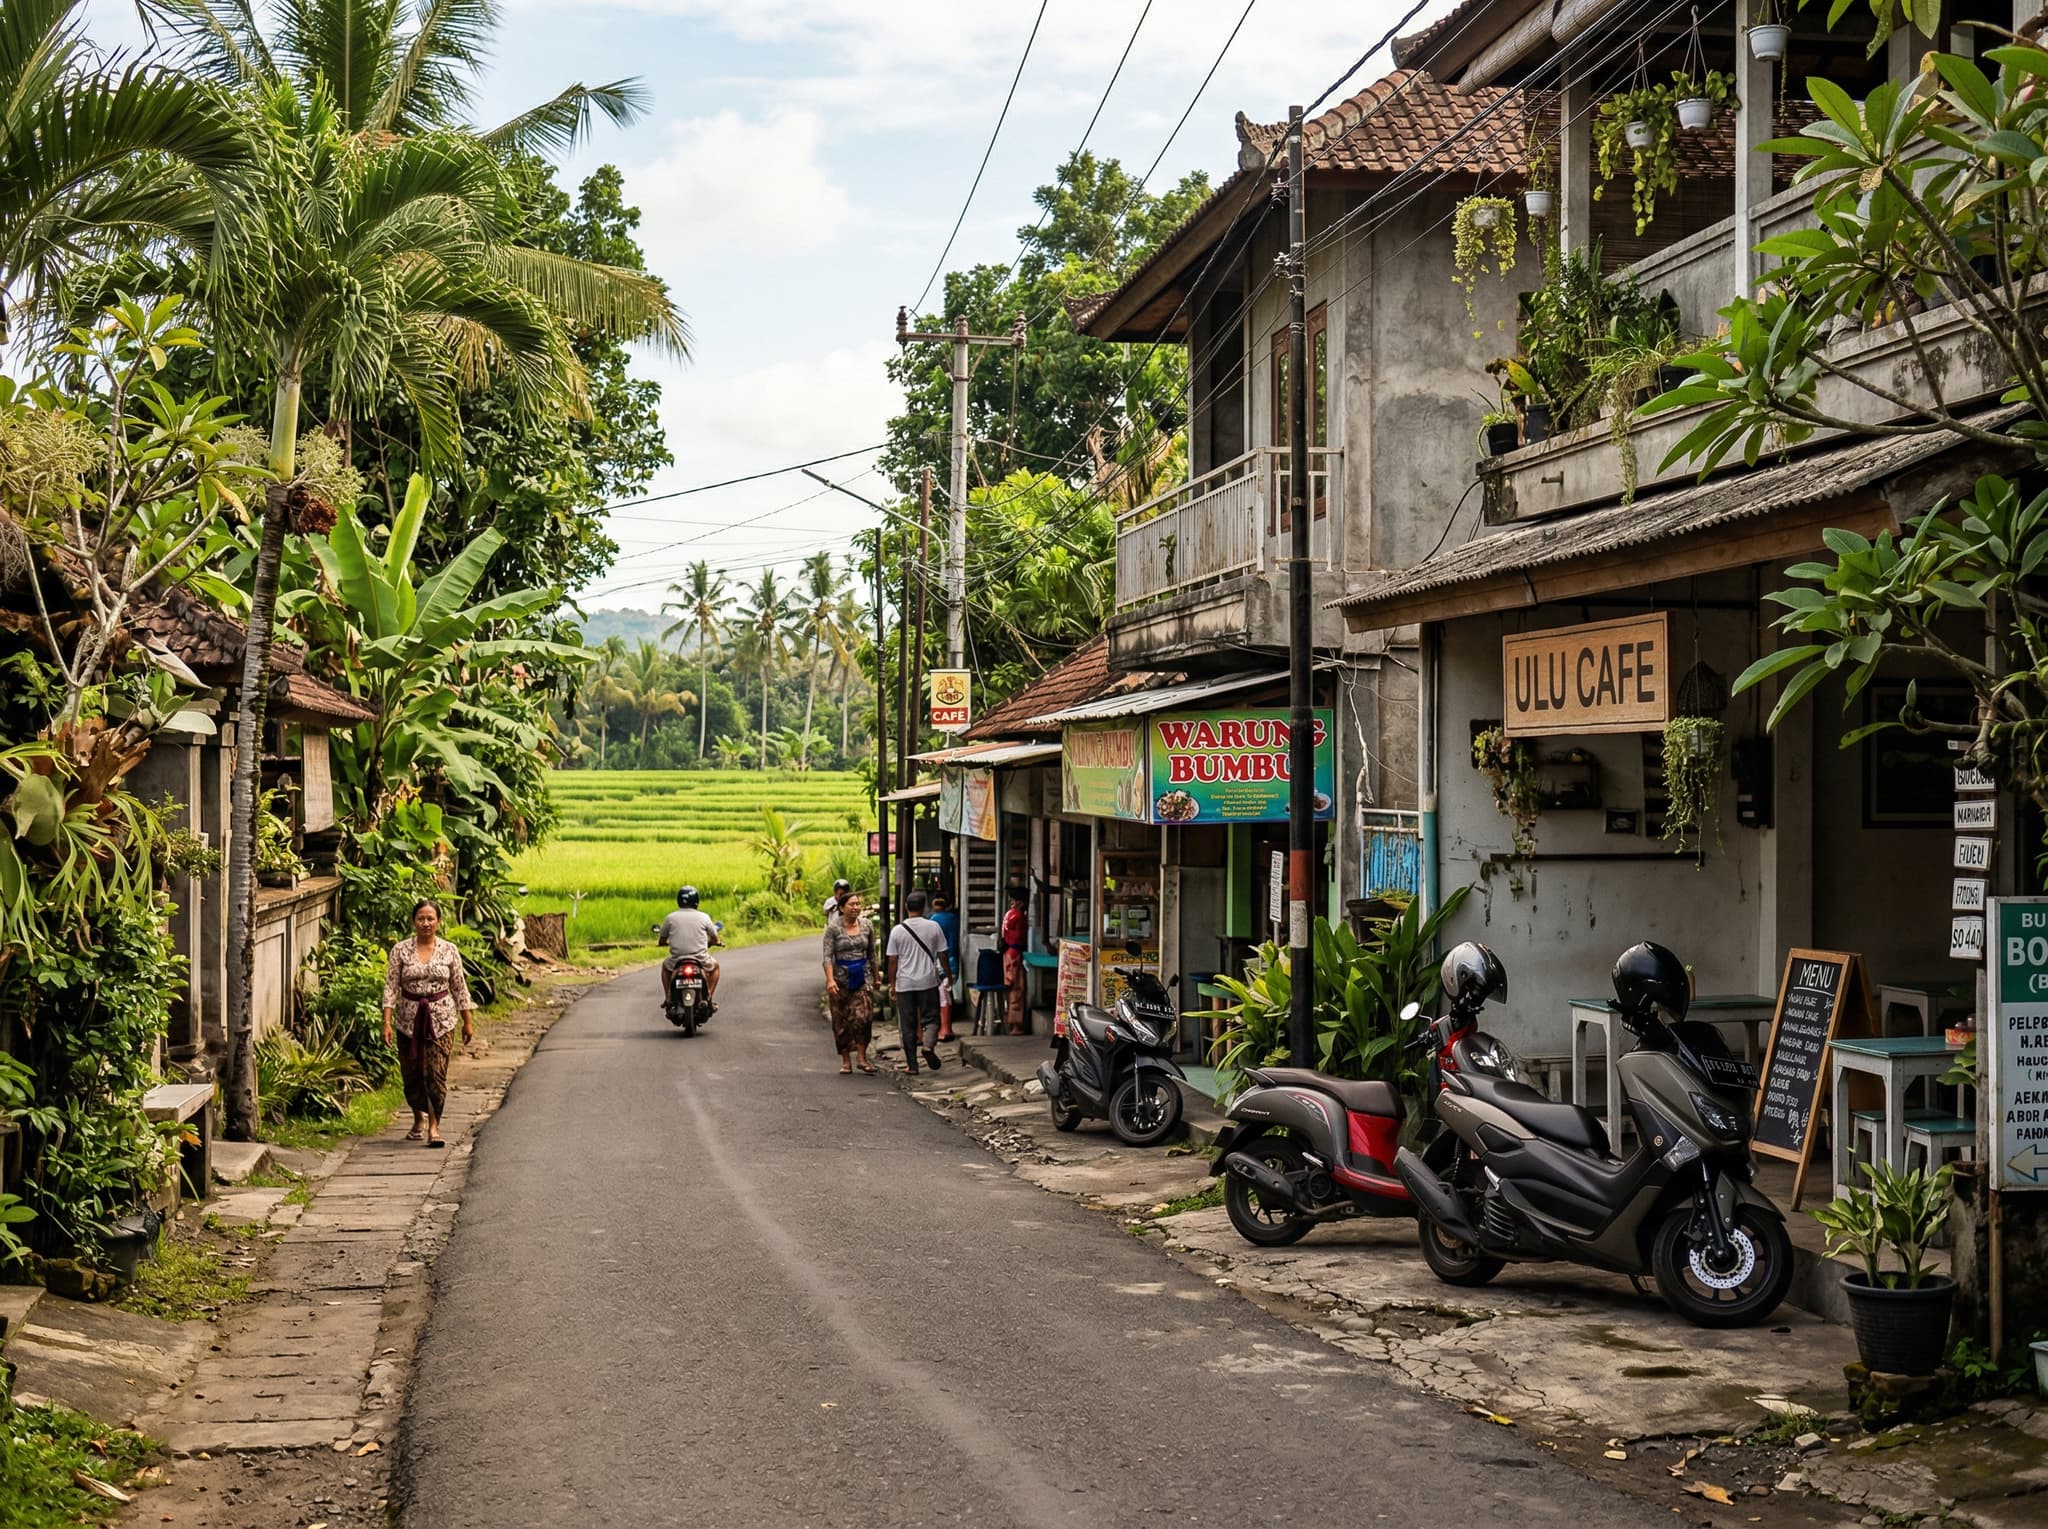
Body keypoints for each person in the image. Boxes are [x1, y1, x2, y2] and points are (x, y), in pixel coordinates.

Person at [381, 899, 473, 1148]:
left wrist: (467, 1022)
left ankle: (434, 1126)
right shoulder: (400, 950)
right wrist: (387, 1022)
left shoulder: (449, 950)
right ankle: (418, 1117)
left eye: (430, 919)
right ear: (414, 921)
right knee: (412, 1073)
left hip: (441, 1019)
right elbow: (391, 987)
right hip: (408, 1020)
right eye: (421, 918)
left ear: (438, 922)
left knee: (435, 1073)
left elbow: (459, 986)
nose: (426, 923)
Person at [886, 890, 952, 1075]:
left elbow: (892, 961)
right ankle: (928, 1045)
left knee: (907, 1024)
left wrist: (892, 984)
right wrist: (949, 975)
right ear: (924, 907)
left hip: (905, 984)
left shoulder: (897, 931)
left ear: (907, 907)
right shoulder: (933, 927)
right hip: (928, 981)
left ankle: (912, 1066)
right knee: (931, 1018)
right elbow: (943, 954)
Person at [822, 891, 877, 1074]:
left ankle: (862, 1057)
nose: (855, 908)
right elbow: (827, 956)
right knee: (841, 1021)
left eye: (857, 904)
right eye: (851, 904)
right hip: (840, 979)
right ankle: (846, 1061)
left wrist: (876, 977)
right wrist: (830, 980)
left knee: (863, 1017)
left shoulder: (867, 926)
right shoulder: (833, 929)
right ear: (841, 908)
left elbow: (872, 954)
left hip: (862, 976)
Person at [657, 885, 721, 1009]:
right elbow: (715, 938)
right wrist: (716, 942)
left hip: (677, 960)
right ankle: (708, 997)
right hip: (700, 959)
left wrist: (663, 943)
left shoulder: (670, 918)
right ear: (696, 901)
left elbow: (662, 939)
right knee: (715, 966)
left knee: (665, 967)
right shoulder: (704, 917)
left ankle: (668, 998)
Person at [929, 893, 961, 1042]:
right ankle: (947, 1028)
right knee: (947, 994)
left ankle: (945, 1029)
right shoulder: (955, 919)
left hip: (940, 962)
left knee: (942, 997)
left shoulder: (933, 921)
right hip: (954, 959)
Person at [1000, 884, 1029, 1036]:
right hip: (1015, 953)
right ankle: (1016, 1025)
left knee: (1010, 989)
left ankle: (1011, 1022)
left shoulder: (1009, 914)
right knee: (1017, 990)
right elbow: (1019, 937)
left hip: (1008, 953)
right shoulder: (1019, 916)